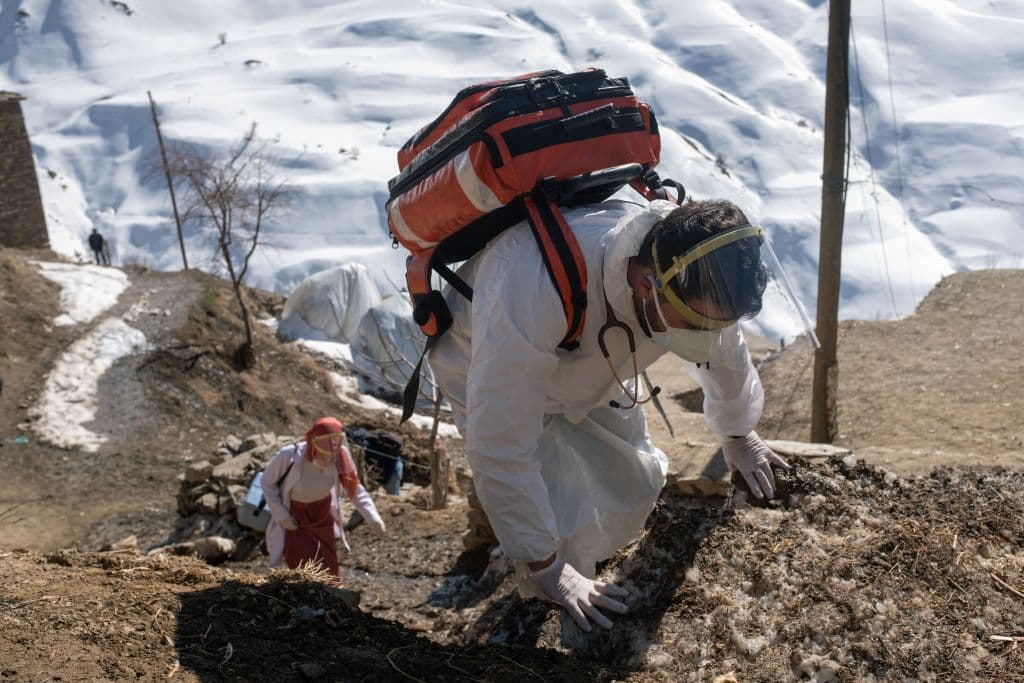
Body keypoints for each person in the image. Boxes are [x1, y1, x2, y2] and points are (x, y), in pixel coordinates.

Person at [428, 197, 799, 633]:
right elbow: (501, 439)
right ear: (646, 285)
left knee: (635, 483)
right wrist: (546, 565)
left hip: (597, 362)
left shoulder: (697, 268)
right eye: (696, 325)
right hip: (488, 367)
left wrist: (738, 433)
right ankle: (561, 632)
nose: (709, 338)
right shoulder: (530, 281)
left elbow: (727, 351)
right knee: (562, 522)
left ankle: (591, 571)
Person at [262, 416, 386, 581]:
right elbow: (267, 483)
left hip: (322, 517)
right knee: (301, 568)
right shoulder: (290, 456)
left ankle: (330, 598)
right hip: (296, 519)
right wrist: (282, 515)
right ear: (313, 443)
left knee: (328, 565)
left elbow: (354, 488)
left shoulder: (341, 456)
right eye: (323, 453)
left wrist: (372, 517)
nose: (327, 460)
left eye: (331, 455)